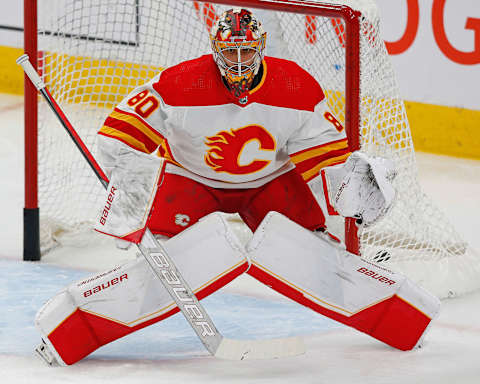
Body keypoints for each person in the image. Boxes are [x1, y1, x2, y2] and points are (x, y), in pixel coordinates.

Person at [34, 9, 439, 366]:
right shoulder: (179, 85)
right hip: (191, 181)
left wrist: (354, 187)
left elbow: (325, 161)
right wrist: (132, 190)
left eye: (248, 52)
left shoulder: (297, 88)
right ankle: (77, 326)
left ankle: (401, 318)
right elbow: (118, 135)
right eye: (231, 52)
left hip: (269, 182)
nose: (240, 62)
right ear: (216, 50)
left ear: (262, 48)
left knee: (315, 253)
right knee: (161, 264)